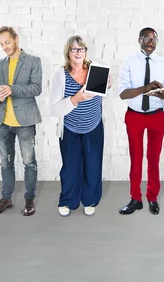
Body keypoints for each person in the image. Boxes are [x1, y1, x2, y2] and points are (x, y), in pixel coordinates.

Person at [50, 35, 107, 217]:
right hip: (70, 129)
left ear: (86, 52)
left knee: (92, 166)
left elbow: (101, 93)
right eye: (74, 49)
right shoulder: (60, 75)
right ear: (68, 52)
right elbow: (54, 110)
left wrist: (109, 84)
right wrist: (75, 99)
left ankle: (89, 200)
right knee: (71, 167)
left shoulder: (95, 69)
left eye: (81, 49)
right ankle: (68, 200)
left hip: (94, 127)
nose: (78, 52)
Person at [118, 27, 164, 215]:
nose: (151, 43)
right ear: (139, 40)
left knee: (154, 158)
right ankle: (135, 198)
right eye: (147, 39)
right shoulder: (129, 63)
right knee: (136, 158)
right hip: (135, 115)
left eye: (154, 40)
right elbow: (123, 94)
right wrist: (146, 87)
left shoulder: (163, 63)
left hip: (157, 115)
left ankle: (152, 197)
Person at [0, 26, 42, 217]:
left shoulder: (33, 61)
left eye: (7, 42)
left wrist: (12, 89)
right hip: (3, 121)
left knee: (29, 162)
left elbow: (36, 88)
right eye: (1, 44)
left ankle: (29, 199)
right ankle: (6, 198)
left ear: (16, 39)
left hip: (25, 121)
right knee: (5, 163)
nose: (5, 47)